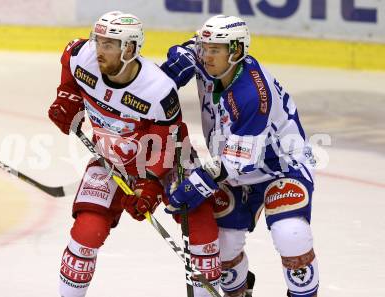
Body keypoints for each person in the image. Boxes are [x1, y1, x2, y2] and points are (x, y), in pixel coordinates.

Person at [161, 15, 319, 297]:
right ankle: (238, 292)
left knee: (290, 233)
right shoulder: (207, 58)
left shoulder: (252, 93)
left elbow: (239, 161)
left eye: (214, 49)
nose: (206, 55)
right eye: (204, 47)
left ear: (235, 51)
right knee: (224, 242)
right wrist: (168, 72)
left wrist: (196, 184)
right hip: (232, 166)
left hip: (281, 167)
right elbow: (179, 55)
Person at [48, 11, 187, 297]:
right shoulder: (81, 56)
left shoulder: (157, 89)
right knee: (86, 233)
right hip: (110, 160)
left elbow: (167, 143)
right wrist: (68, 99)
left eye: (108, 45)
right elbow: (70, 70)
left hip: (166, 162)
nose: (99, 50)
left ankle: (234, 286)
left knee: (203, 233)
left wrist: (149, 183)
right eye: (98, 41)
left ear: (130, 49)